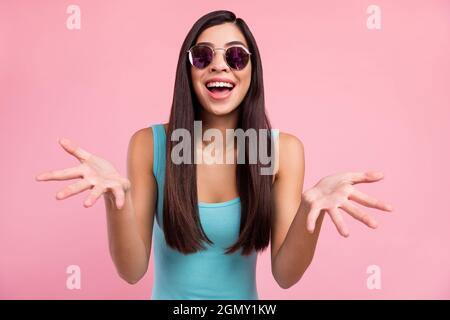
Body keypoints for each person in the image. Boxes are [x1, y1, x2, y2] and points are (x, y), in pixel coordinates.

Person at [35, 10, 393, 300]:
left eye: (236, 56)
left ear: (252, 72)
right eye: (204, 56)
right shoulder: (151, 144)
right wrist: (118, 200)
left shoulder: (279, 151)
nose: (219, 66)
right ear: (188, 70)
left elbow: (285, 277)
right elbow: (131, 272)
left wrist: (310, 211)